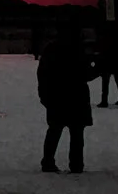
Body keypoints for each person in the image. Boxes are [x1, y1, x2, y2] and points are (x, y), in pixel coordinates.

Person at [36, 27, 95, 173]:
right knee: (76, 133)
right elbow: (86, 74)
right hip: (76, 96)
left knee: (54, 130)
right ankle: (76, 164)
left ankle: (48, 161)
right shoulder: (78, 50)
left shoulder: (51, 49)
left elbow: (42, 73)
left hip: (56, 95)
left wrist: (43, 94)